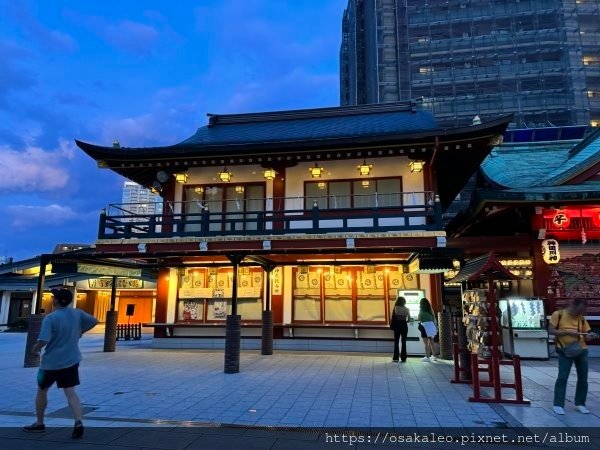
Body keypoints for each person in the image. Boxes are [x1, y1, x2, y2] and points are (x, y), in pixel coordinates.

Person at [23, 288, 98, 438]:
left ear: (56, 300)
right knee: (71, 392)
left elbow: (44, 340)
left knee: (42, 390)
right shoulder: (77, 313)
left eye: (53, 297)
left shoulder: (51, 318)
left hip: (50, 364)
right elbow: (94, 320)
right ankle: (78, 422)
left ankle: (39, 423)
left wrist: (35, 348)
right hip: (71, 360)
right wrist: (81, 331)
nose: (52, 298)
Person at [548, 298, 596, 415]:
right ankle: (558, 404)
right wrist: (568, 332)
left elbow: (586, 335)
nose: (581, 312)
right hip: (565, 349)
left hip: (581, 349)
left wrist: (590, 336)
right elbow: (551, 331)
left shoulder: (581, 318)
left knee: (583, 378)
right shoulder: (558, 314)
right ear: (573, 306)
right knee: (563, 377)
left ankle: (580, 403)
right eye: (579, 310)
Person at [390, 296, 410, 363]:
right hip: (404, 325)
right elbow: (409, 319)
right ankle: (403, 358)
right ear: (404, 302)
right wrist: (404, 321)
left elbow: (393, 317)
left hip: (397, 326)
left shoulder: (395, 308)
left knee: (396, 342)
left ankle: (396, 357)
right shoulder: (407, 309)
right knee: (403, 342)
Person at [418, 298, 437, 362]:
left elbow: (419, 318)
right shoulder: (430, 310)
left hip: (424, 326)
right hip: (431, 326)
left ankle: (427, 357)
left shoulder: (421, 311)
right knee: (432, 342)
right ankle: (434, 356)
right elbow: (433, 317)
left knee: (426, 343)